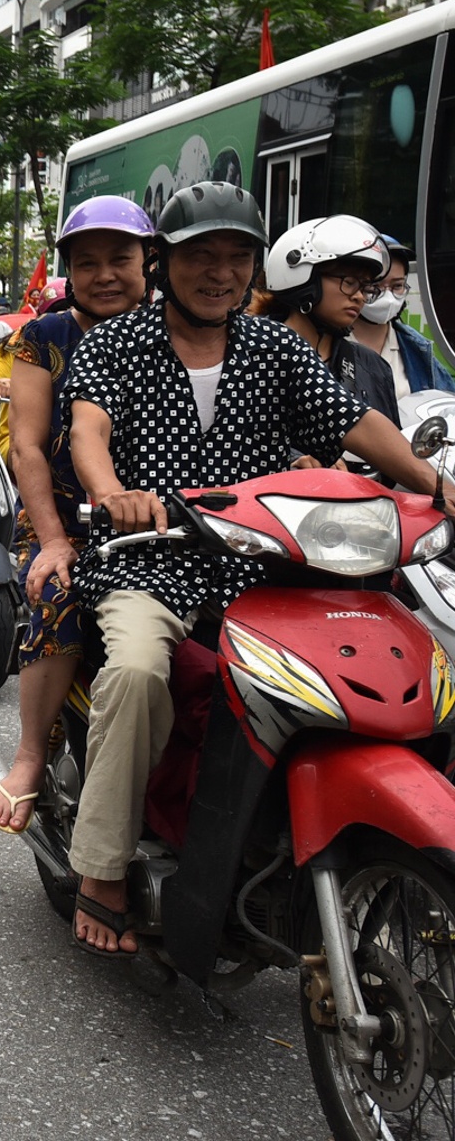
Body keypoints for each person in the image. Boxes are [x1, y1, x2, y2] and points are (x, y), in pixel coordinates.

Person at [63, 182, 448, 956]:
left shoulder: (274, 348)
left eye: (237, 257)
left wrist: (435, 484)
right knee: (137, 669)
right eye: (202, 255)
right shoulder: (115, 343)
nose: (220, 273)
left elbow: (358, 425)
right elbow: (88, 430)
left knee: (389, 658)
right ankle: (103, 868)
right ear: (166, 261)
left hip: (265, 566)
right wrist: (114, 496)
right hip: (152, 560)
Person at [0, 197, 152, 836]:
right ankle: (29, 754)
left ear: (148, 262)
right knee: (54, 595)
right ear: (69, 271)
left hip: (168, 521)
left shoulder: (179, 327)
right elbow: (27, 445)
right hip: (64, 518)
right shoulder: (43, 338)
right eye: (89, 264)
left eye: (121, 260)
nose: (106, 274)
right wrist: (52, 539)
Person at [251, 215, 399, 445]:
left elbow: (392, 454)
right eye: (349, 282)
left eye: (366, 287)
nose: (359, 296)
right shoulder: (251, 355)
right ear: (302, 277)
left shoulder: (373, 367)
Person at [352, 234, 455, 402]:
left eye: (397, 286)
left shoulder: (416, 348)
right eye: (376, 285)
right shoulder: (327, 345)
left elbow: (446, 405)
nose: (387, 296)